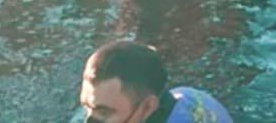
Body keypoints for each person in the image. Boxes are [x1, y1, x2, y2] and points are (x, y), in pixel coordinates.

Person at [79, 40, 233, 122]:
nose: (88, 121)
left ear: (147, 107)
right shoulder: (188, 95)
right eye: (86, 107)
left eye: (104, 112)